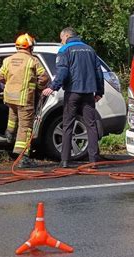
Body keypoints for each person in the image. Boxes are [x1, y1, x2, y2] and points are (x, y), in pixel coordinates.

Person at [42, 27, 104, 168]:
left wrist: (52, 87)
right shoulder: (90, 50)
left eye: (61, 38)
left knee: (68, 125)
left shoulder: (65, 50)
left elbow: (62, 72)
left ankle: (65, 161)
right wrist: (99, 92)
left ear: (67, 36)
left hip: (73, 93)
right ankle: (94, 161)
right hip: (88, 94)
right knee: (91, 126)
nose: (61, 41)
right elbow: (98, 72)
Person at [0, 33, 49, 168]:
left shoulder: (8, 60)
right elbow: (44, 78)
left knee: (13, 114)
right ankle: (22, 157)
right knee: (25, 127)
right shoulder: (33, 60)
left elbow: (0, 77)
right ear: (30, 46)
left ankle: (9, 132)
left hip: (9, 98)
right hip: (24, 98)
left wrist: (10, 82)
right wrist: (39, 87)